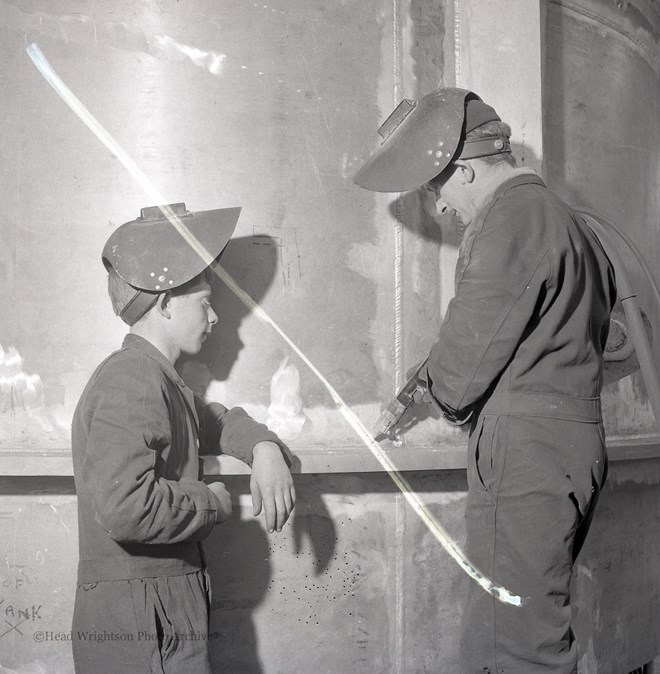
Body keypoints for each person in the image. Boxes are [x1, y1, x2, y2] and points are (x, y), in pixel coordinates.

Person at [354, 88, 616, 673]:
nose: (440, 209)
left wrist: (435, 388)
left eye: (437, 188)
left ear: (467, 170)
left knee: (516, 647)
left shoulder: (512, 219)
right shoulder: (565, 221)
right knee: (522, 628)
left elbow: (462, 375)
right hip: (569, 442)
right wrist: (418, 386)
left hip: (526, 454)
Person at [70, 202, 295, 674]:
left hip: (156, 611)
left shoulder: (157, 379)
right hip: (142, 622)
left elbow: (211, 422)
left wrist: (264, 448)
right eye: (205, 303)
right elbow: (126, 507)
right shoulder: (131, 379)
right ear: (166, 302)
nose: (215, 319)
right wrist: (211, 502)